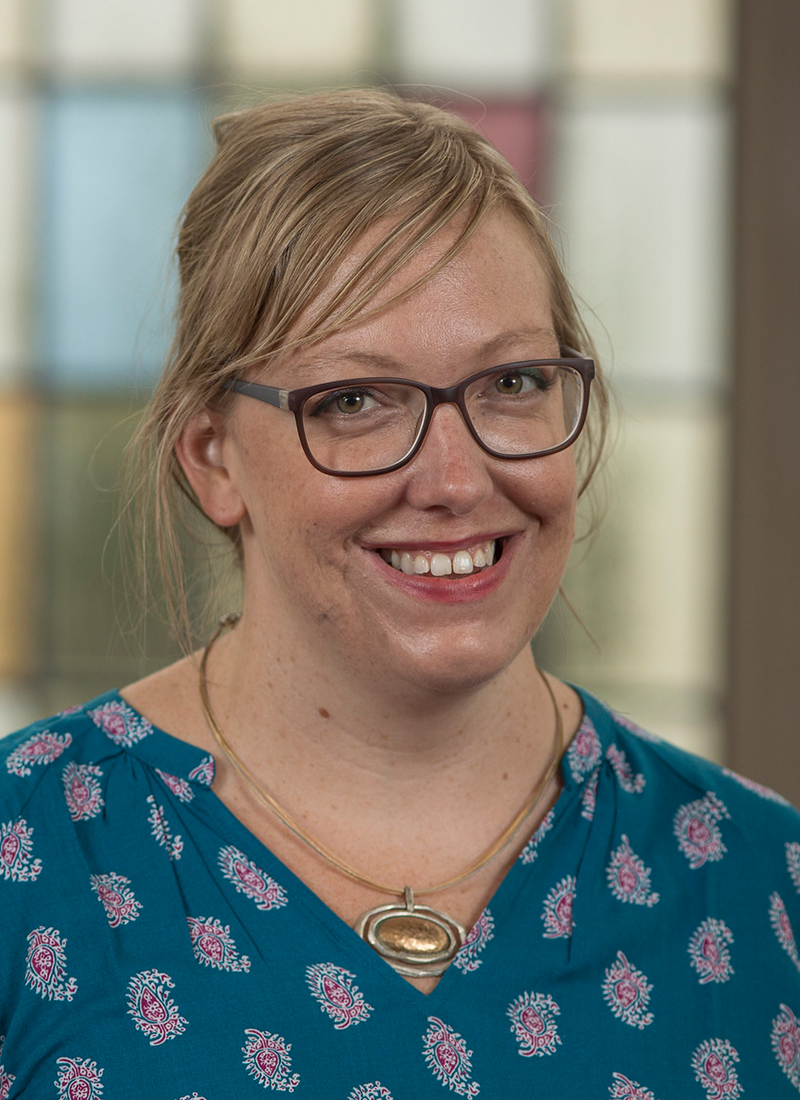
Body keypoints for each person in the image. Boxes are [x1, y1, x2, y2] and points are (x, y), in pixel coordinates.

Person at [1, 89, 799, 1100]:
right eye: (355, 401)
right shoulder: (25, 862)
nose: (457, 481)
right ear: (213, 459)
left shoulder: (762, 881)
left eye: (512, 382)